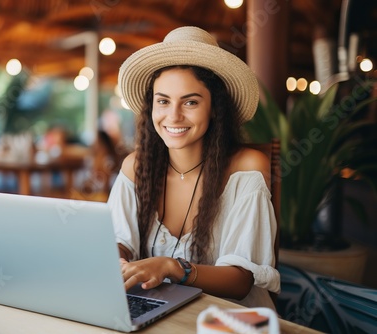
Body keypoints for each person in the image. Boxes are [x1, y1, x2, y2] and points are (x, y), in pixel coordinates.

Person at [107, 26, 280, 309]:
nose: (173, 116)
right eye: (163, 101)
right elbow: (116, 239)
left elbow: (240, 282)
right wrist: (117, 258)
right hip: (159, 309)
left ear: (214, 108)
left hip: (229, 318)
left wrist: (173, 267)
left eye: (190, 101)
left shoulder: (246, 168)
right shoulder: (136, 167)